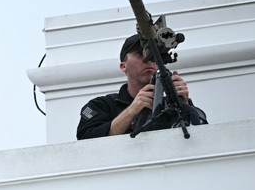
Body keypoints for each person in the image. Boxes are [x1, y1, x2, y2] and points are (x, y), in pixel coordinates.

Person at [76, 34, 207, 140]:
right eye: (140, 54)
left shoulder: (171, 106)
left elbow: (203, 139)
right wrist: (132, 110)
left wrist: (183, 104)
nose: (148, 60)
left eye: (154, 56)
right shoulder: (100, 105)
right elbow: (86, 139)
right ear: (123, 66)